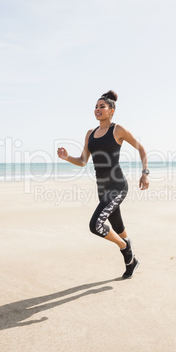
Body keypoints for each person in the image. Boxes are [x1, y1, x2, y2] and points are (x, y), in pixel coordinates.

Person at [57, 90, 149, 279]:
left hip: (117, 187)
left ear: (111, 110)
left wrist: (145, 173)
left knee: (96, 225)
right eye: (96, 107)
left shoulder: (118, 130)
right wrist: (67, 158)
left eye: (102, 106)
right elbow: (83, 160)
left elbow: (141, 149)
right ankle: (132, 263)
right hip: (102, 189)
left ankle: (126, 248)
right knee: (118, 227)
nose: (97, 109)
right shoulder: (90, 134)